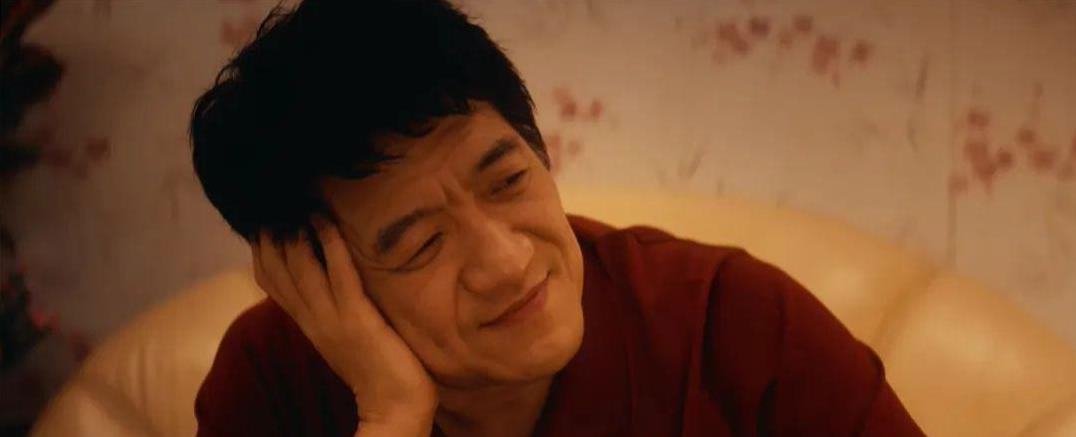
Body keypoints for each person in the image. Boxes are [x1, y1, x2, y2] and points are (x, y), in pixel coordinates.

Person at [189, 1, 926, 436]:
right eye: (422, 243)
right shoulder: (272, 380)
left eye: (508, 180)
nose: (507, 261)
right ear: (316, 273)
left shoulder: (736, 324)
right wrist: (389, 416)